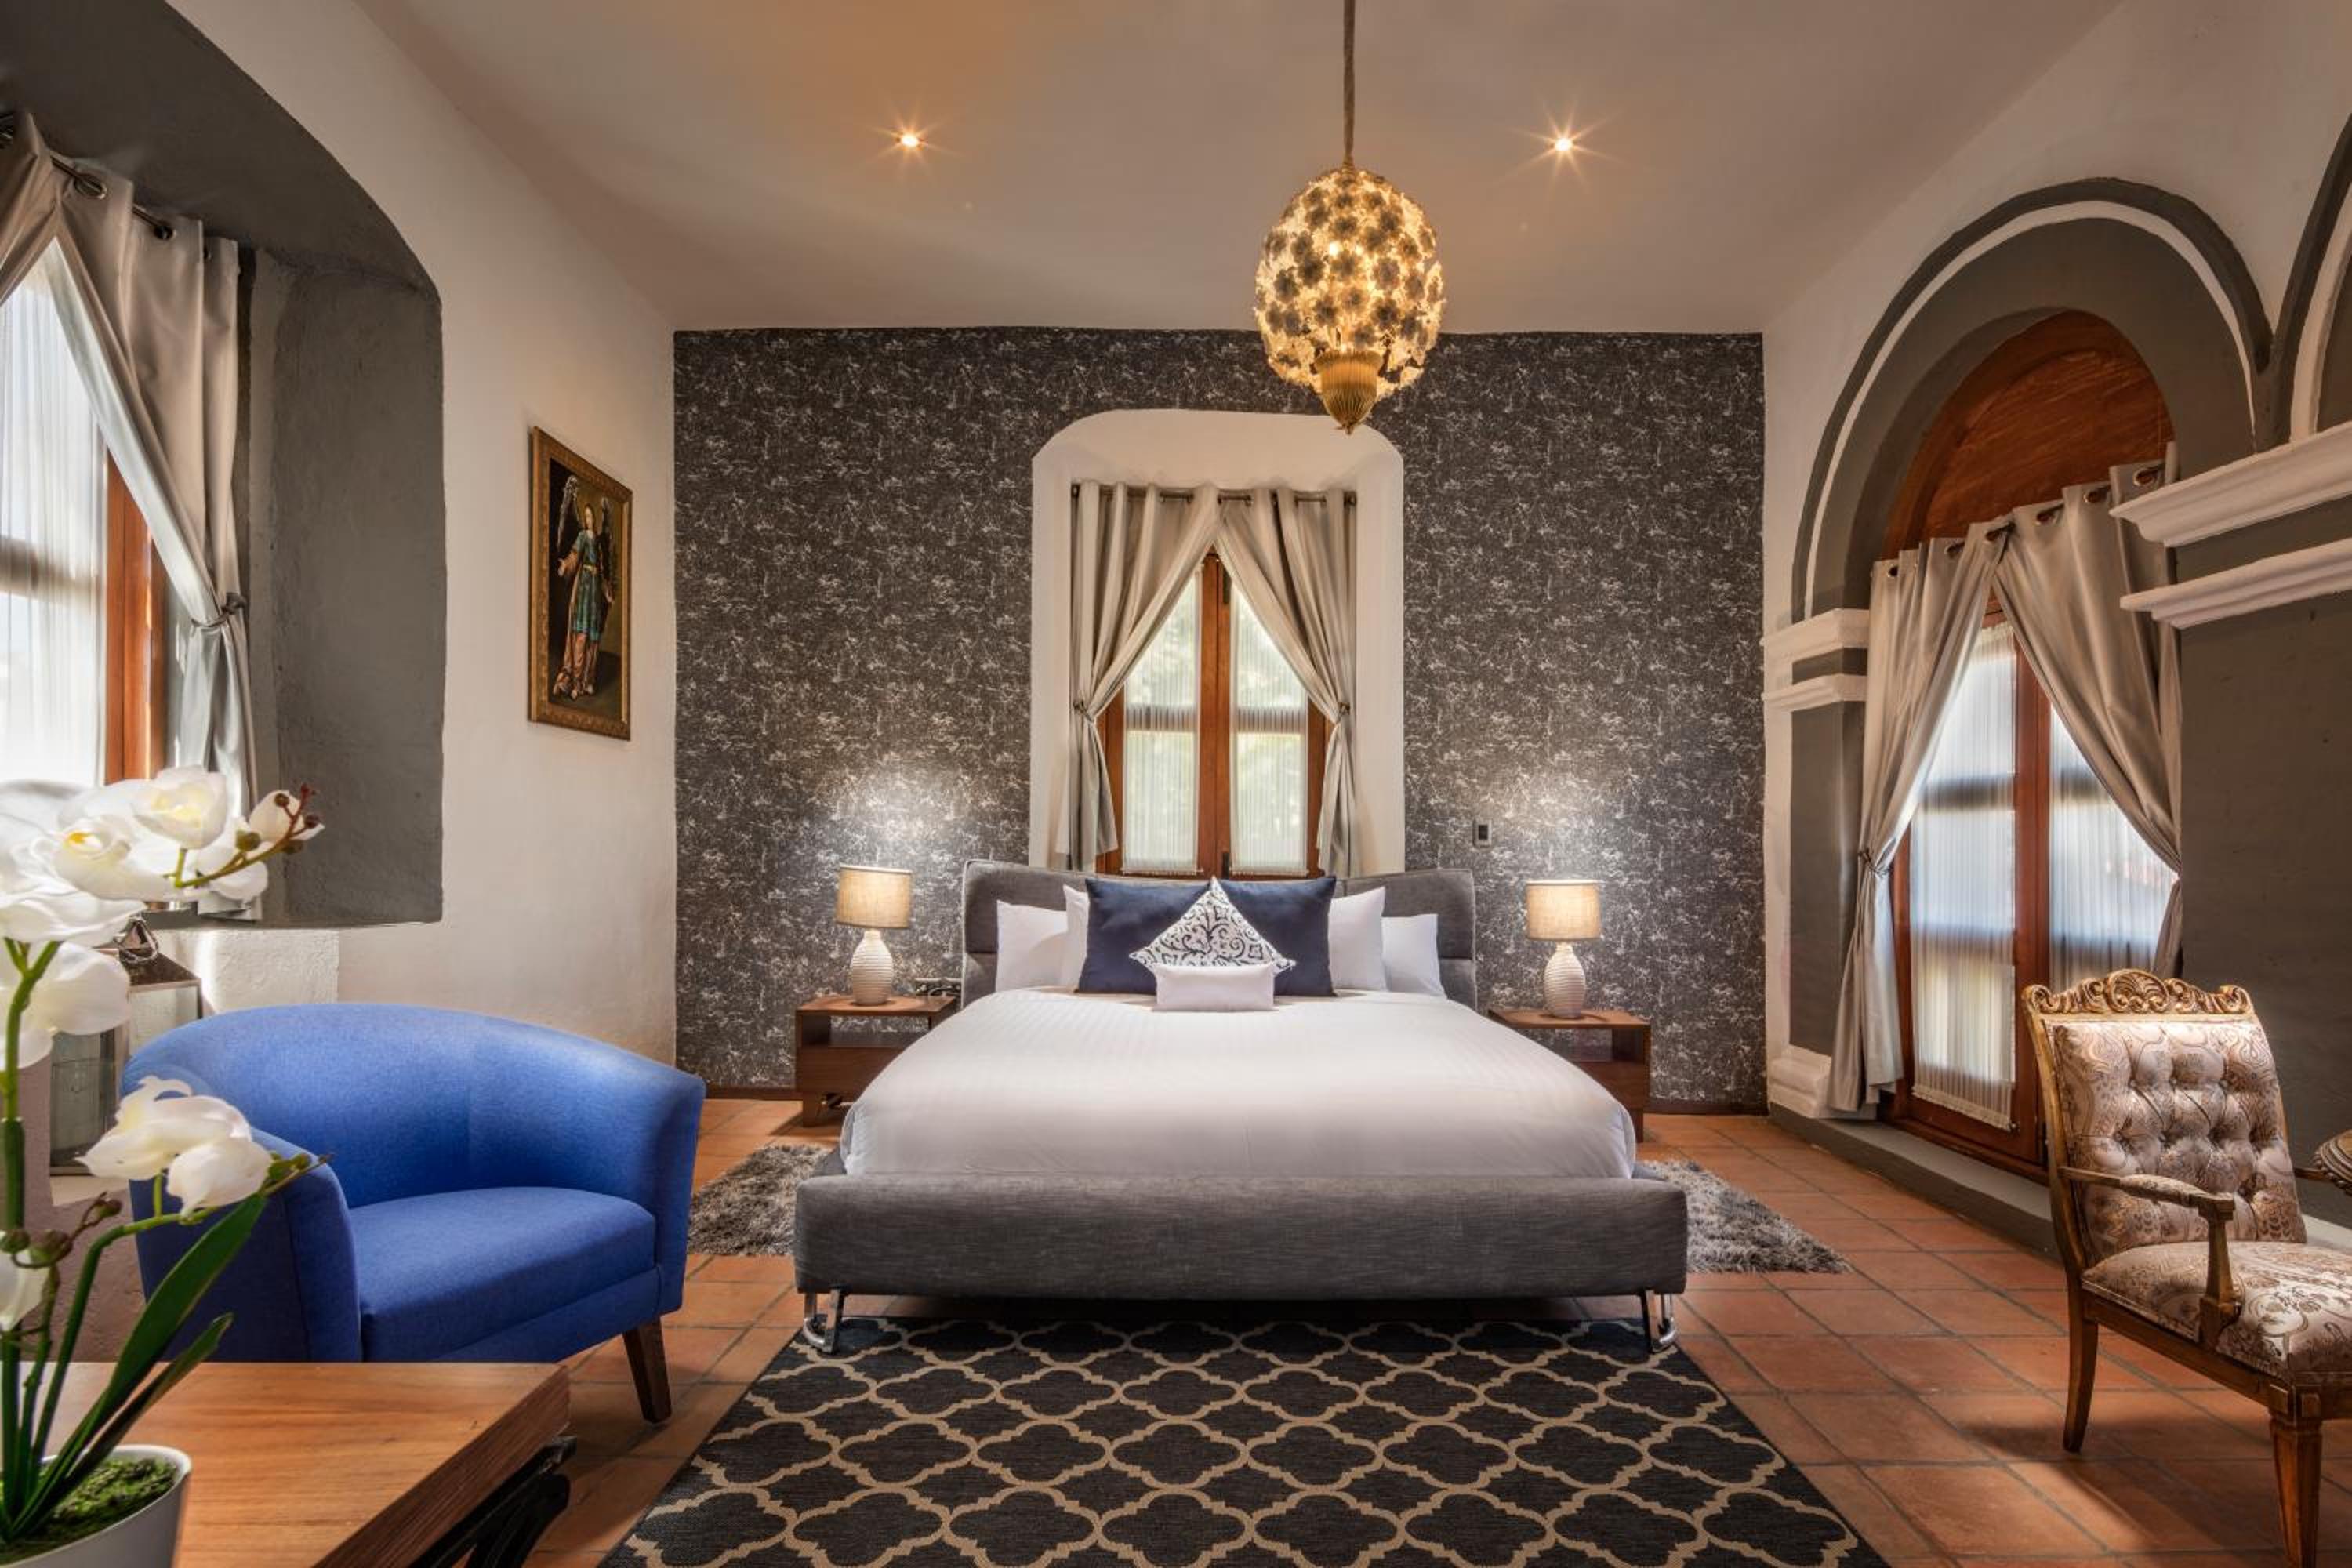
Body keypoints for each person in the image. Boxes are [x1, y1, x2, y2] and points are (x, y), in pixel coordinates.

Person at [553, 479, 616, 699]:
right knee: (580, 634)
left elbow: (602, 571)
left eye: (591, 517)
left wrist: (607, 592)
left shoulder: (597, 542)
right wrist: (565, 566)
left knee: (592, 637)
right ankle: (574, 680)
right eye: (587, 517)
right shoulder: (582, 537)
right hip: (583, 590)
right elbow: (574, 555)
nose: (589, 520)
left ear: (595, 520)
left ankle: (588, 679)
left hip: (595, 594)